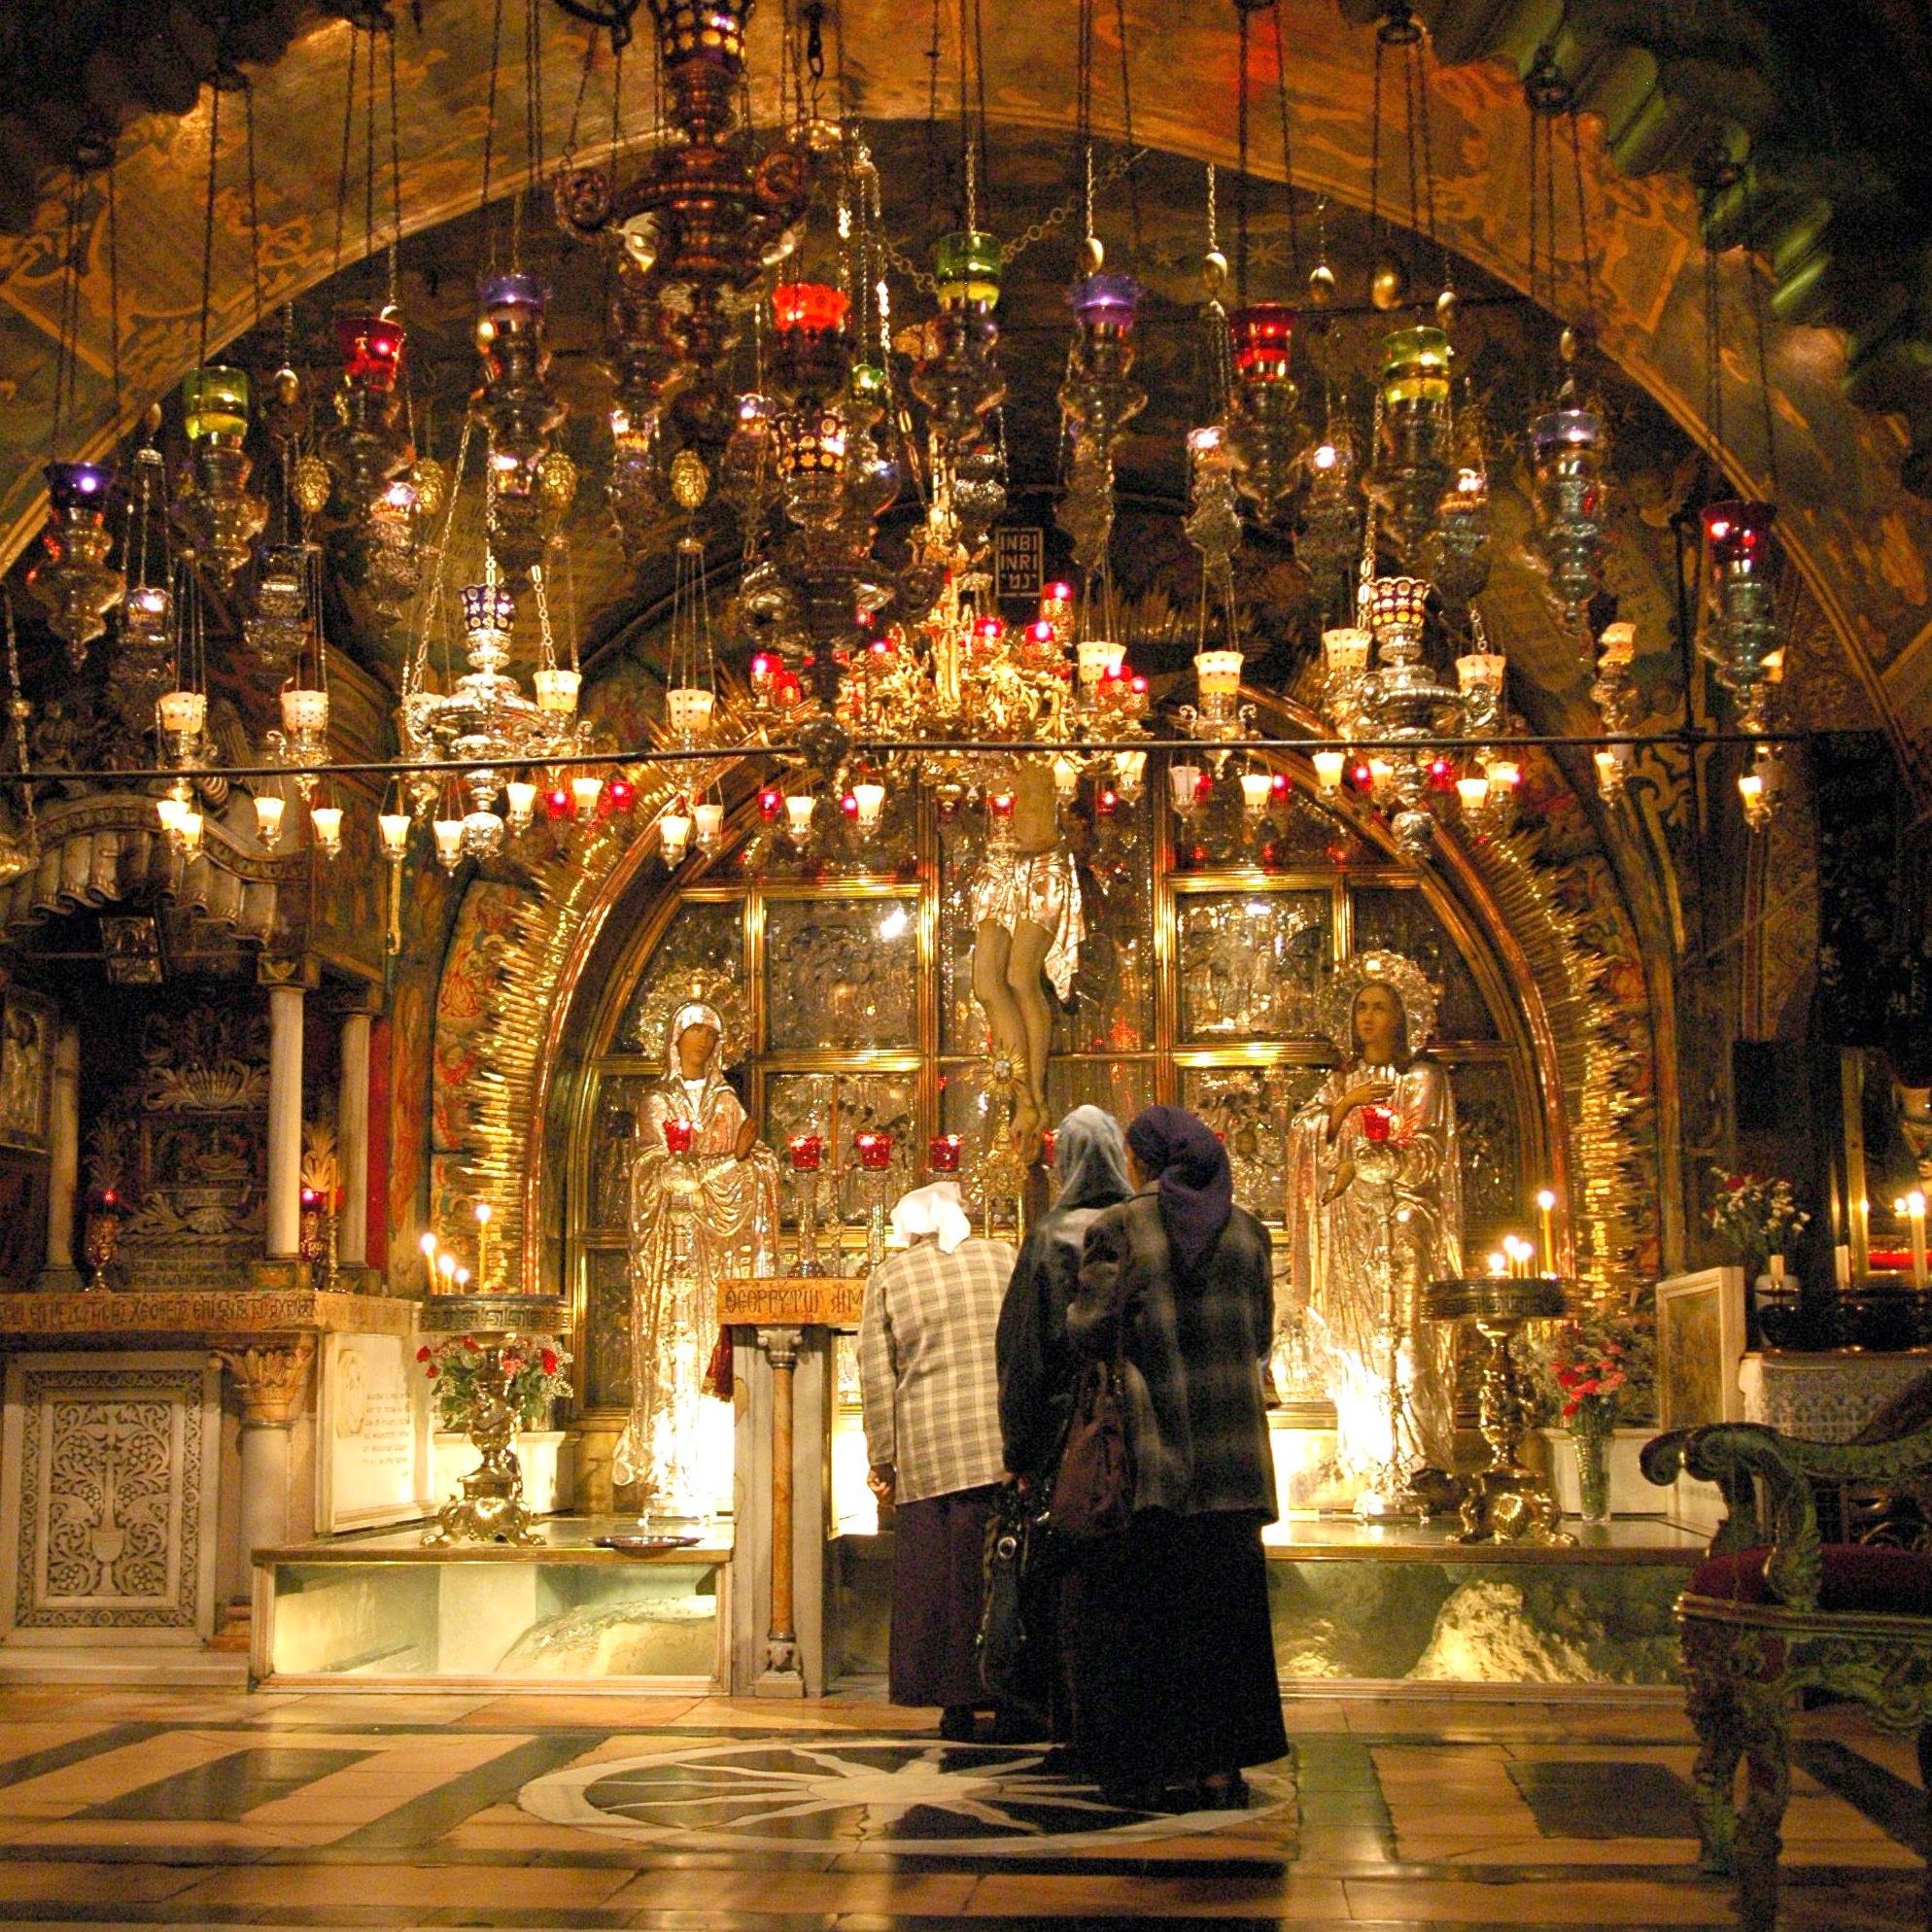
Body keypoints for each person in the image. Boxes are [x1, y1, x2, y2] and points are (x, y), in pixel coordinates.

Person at [1064, 1103, 1286, 1811]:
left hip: (1155, 1461)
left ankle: (1148, 1765)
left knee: (1149, 1617)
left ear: (1145, 1161)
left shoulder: (1121, 1229)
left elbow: (1090, 1328)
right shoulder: (1248, 1234)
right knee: (1226, 1624)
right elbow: (1259, 1335)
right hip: (1233, 1464)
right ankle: (1221, 1770)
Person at [1284, 950, 1463, 1500]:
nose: (1368, 1018)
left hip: (1404, 1225)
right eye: (1361, 1007)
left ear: (1401, 1016)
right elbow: (1303, 1136)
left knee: (1408, 1340)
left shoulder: (1422, 1078)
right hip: (1349, 1228)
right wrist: (1344, 1111)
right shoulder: (1341, 1083)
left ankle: (1419, 1459)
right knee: (1353, 1342)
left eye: (1380, 1007)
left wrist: (1379, 1154)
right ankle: (1364, 1455)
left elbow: (1428, 1153)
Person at [995, 1105, 1134, 1742]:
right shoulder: (1140, 1228)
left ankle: (1069, 1718)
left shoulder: (1051, 1238)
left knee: (1066, 1580)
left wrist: (1020, 1449)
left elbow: (1024, 1352)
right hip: (1133, 1428)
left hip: (1064, 1435)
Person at [858, 1181, 1016, 1741]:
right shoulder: (1004, 1256)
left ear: (909, 1229)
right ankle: (1015, 1691)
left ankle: (955, 1700)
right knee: (1004, 1575)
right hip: (1001, 1442)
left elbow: (878, 1376)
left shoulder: (891, 1277)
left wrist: (883, 1457)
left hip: (931, 1449)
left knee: (947, 1582)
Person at [620, 1001, 779, 1526]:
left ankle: (714, 1471)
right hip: (669, 1256)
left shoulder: (728, 1103)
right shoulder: (656, 1102)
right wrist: (725, 1164)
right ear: (674, 1039)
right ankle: (670, 1470)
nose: (702, 1042)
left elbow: (750, 1168)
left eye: (711, 1035)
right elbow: (656, 1171)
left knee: (713, 1350)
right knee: (672, 1359)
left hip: (715, 1255)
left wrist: (741, 1164)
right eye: (692, 1032)